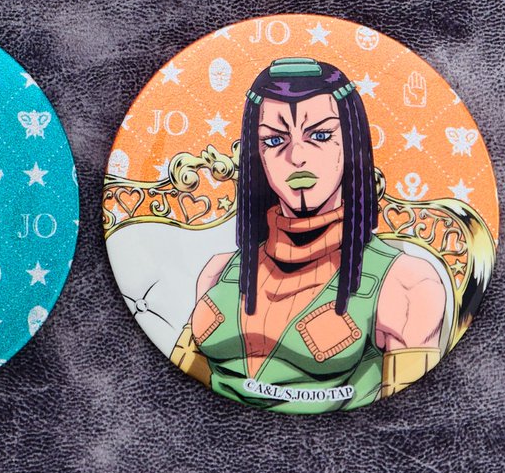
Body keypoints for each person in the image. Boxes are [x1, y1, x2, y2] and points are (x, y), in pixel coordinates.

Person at [169, 58, 449, 409]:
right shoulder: (218, 272)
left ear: (352, 144)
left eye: (320, 135)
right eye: (274, 140)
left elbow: (407, 412)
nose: (296, 156)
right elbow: (174, 394)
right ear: (258, 155)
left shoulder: (406, 282)